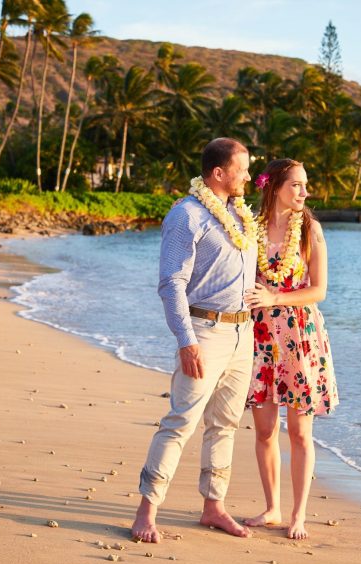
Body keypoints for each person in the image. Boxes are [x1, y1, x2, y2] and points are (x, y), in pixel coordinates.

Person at [132, 138, 258, 543]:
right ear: (218, 173)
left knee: (226, 424)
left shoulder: (240, 214)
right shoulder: (186, 215)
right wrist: (187, 341)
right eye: (243, 169)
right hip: (204, 332)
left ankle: (213, 506)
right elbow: (171, 282)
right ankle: (146, 511)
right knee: (181, 422)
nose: (249, 177)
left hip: (243, 334)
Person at [243, 158, 339, 540]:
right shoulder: (251, 228)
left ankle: (298, 514)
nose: (304, 192)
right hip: (262, 336)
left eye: (305, 185)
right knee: (265, 430)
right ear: (274, 186)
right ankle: (272, 508)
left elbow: (320, 290)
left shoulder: (310, 230)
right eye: (297, 185)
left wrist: (275, 295)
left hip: (300, 336)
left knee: (300, 432)